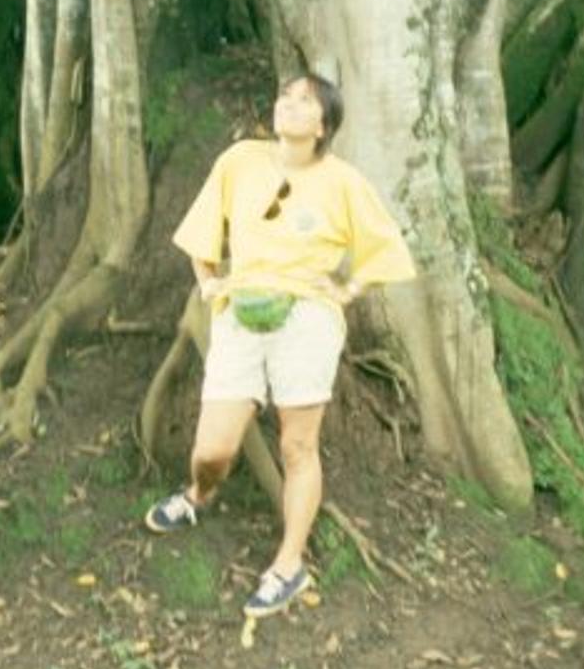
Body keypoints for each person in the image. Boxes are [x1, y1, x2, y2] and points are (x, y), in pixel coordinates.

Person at [145, 74, 417, 617]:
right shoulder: (240, 160)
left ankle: (289, 564)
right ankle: (200, 494)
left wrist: (346, 290)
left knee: (297, 447)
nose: (289, 107)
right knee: (212, 450)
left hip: (307, 320)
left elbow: (386, 248)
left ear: (323, 125)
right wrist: (207, 281)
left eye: (304, 103)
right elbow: (201, 231)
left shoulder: (343, 182)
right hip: (240, 314)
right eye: (284, 98)